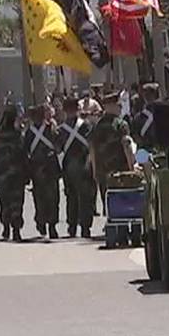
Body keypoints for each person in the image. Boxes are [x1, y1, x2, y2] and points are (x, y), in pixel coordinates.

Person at [88, 91, 135, 207]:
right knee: (124, 204)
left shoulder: (97, 126)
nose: (120, 108)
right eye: (118, 106)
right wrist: (132, 168)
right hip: (120, 171)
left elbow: (92, 149)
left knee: (108, 204)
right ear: (112, 106)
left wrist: (94, 171)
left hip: (103, 172)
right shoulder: (121, 124)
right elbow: (127, 146)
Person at [58, 97, 96, 238]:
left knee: (71, 197)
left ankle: (72, 226)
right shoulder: (86, 126)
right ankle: (85, 227)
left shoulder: (61, 129)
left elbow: (58, 148)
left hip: (69, 166)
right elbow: (92, 144)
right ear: (78, 109)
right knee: (86, 198)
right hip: (84, 165)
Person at [0, 104, 28, 242]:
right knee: (17, 202)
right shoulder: (17, 134)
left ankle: (6, 226)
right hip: (16, 173)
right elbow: (23, 152)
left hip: (2, 173)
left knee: (4, 201)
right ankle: (16, 229)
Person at [26, 103, 62, 239]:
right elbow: (58, 147)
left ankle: (41, 222)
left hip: (37, 169)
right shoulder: (52, 129)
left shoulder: (30, 132)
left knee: (39, 198)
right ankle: (52, 226)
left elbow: (26, 149)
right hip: (51, 168)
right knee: (53, 198)